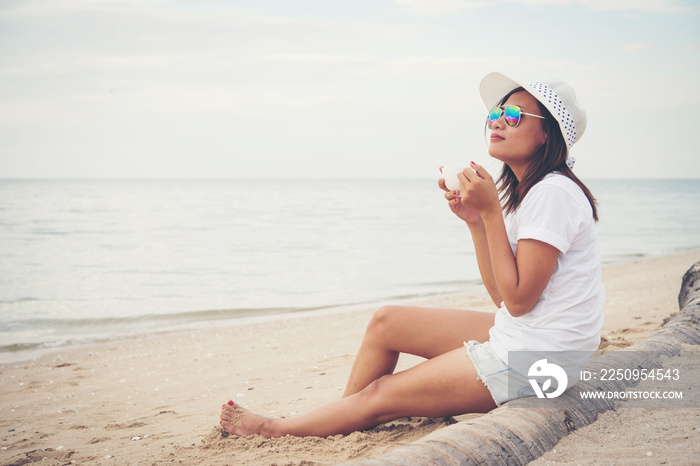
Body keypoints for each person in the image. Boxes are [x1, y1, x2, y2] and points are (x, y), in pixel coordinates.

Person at [220, 71, 604, 438]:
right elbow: (504, 298)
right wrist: (476, 222)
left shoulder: (553, 193)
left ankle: (276, 428)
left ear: (545, 135)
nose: (498, 121)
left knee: (383, 392)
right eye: (496, 113)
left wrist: (491, 212)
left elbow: (519, 302)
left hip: (536, 362)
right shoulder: (534, 193)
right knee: (388, 322)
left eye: (514, 115)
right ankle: (345, 414)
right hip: (529, 338)